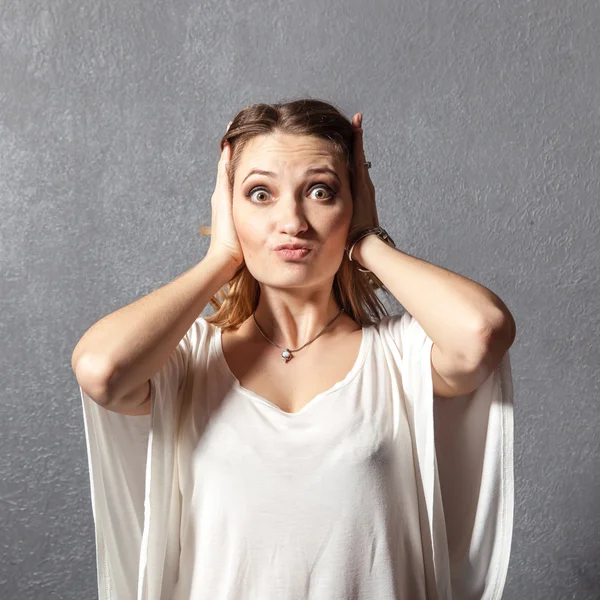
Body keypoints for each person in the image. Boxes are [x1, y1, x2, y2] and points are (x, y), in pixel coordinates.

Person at [72, 99, 516, 600]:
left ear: (354, 203)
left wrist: (367, 239)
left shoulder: (399, 356)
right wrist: (221, 256)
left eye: (321, 191)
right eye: (260, 194)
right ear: (227, 207)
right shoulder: (187, 360)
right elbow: (101, 370)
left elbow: (483, 331)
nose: (293, 221)